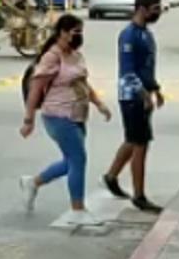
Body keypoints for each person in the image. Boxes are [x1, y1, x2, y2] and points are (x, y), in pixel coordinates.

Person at [18, 14, 112, 227]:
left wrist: (99, 104)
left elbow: (83, 84)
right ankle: (77, 209)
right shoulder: (52, 57)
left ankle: (33, 182)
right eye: (75, 32)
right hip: (58, 115)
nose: (79, 36)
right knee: (78, 159)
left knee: (71, 161)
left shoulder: (76, 55)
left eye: (81, 31)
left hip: (78, 115)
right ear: (62, 32)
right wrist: (28, 119)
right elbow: (36, 88)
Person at [103, 0, 165, 213]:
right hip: (132, 97)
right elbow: (128, 71)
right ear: (142, 9)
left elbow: (146, 68)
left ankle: (111, 176)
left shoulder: (146, 34)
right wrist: (143, 94)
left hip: (144, 95)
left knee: (134, 139)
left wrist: (155, 88)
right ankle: (139, 195)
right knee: (140, 144)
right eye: (155, 9)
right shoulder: (129, 35)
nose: (158, 13)